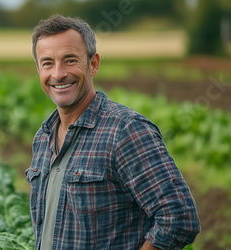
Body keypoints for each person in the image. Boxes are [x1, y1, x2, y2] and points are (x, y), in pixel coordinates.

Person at [25, 15, 200, 250]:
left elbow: (179, 218)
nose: (58, 74)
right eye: (47, 63)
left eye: (69, 60)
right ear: (39, 70)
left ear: (93, 64)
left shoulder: (125, 131)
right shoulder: (43, 137)